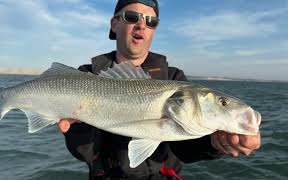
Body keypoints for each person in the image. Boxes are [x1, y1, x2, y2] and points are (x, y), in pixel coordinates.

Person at [58, 0, 261, 179]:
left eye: (151, 21)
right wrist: (79, 130)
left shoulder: (173, 78)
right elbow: (85, 154)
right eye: (132, 17)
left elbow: (184, 150)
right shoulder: (85, 77)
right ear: (114, 23)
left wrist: (213, 144)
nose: (141, 25)